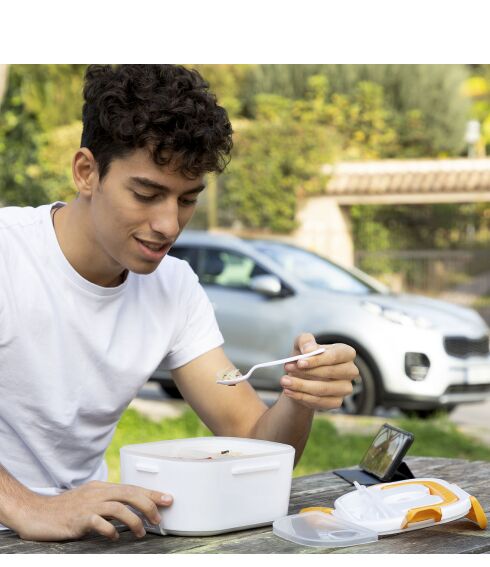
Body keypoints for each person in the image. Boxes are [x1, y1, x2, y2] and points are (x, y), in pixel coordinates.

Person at [0, 64, 358, 542]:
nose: (169, 224)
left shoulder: (174, 287)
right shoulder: (9, 256)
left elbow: (253, 442)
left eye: (187, 199)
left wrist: (299, 396)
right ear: (86, 172)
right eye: (147, 194)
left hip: (86, 532)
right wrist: (29, 509)